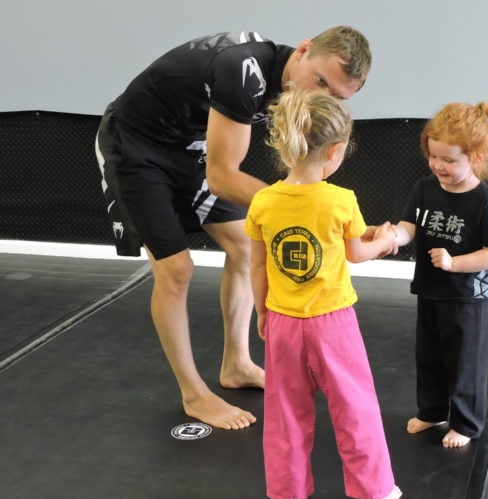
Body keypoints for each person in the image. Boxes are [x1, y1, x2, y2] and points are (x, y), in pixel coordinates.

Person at [94, 27, 371, 430]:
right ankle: (193, 393)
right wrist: (298, 208)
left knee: (244, 246)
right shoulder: (243, 71)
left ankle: (236, 364)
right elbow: (224, 178)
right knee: (176, 270)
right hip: (134, 144)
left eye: (336, 96)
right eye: (320, 81)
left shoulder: (292, 84)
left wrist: (298, 205)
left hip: (187, 146)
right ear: (304, 49)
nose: (321, 96)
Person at [245, 89, 402, 499]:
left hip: (281, 321)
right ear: (334, 151)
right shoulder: (340, 199)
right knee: (355, 406)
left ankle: (289, 492)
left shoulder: (263, 202)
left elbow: (258, 266)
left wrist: (262, 311)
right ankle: (375, 488)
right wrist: (385, 239)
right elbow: (356, 252)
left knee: (285, 411)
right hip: (332, 324)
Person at [390, 102, 488, 449]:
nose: (438, 165)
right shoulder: (425, 188)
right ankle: (432, 411)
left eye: (449, 160)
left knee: (464, 361)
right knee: (429, 355)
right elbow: (409, 226)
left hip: (467, 297)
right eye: (433, 156)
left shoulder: (486, 202)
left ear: (476, 158)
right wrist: (391, 237)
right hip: (430, 288)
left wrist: (454, 263)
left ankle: (466, 423)